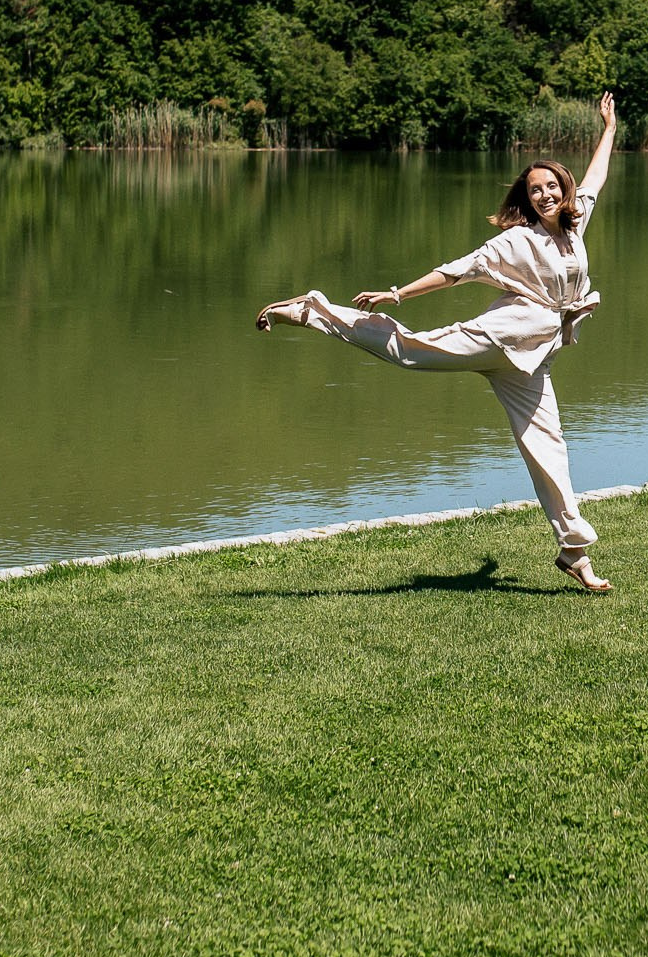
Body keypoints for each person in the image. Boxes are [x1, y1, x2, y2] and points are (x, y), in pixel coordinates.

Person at [257, 92, 621, 592]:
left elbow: (597, 176)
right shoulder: (515, 240)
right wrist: (396, 293)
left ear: (565, 188)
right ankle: (312, 311)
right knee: (408, 351)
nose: (544, 195)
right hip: (497, 338)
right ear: (527, 197)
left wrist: (608, 129)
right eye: (534, 189)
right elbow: (457, 272)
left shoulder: (576, 222)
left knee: (548, 447)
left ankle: (573, 552)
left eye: (551, 186)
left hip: (533, 358)